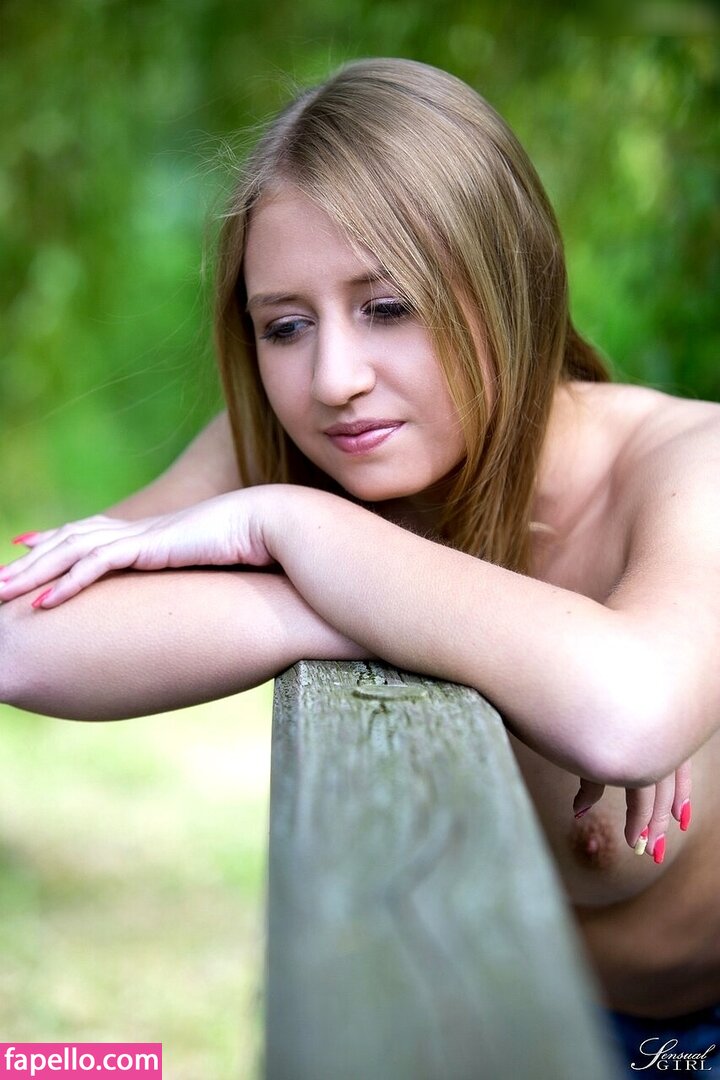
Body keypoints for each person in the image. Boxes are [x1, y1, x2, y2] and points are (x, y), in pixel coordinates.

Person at [1, 57, 718, 1072]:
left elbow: (627, 710)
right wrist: (338, 601)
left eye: (389, 307)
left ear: (508, 281)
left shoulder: (688, 466)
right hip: (519, 1014)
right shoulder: (297, 450)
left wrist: (297, 531)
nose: (334, 378)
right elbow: (18, 639)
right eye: (285, 326)